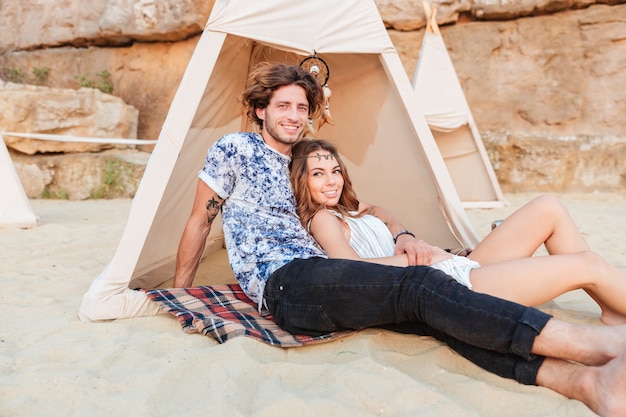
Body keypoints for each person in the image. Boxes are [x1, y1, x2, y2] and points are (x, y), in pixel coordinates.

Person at [173, 62, 626, 417]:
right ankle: (602, 345)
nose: (295, 116)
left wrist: (404, 234)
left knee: (438, 313)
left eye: (301, 108)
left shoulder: (307, 161)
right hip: (287, 280)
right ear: (260, 109)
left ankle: (585, 384)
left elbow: (360, 208)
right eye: (283, 106)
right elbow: (199, 220)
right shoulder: (235, 149)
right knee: (425, 285)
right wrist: (182, 293)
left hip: (333, 275)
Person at [289, 138, 626, 326]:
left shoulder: (347, 207)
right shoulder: (322, 219)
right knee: (587, 263)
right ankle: (610, 297)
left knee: (548, 207)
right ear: (301, 181)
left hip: (449, 266)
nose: (331, 180)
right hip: (450, 287)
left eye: (335, 170)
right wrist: (416, 260)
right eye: (318, 174)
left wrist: (402, 235)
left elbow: (379, 211)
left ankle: (611, 307)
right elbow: (350, 272)